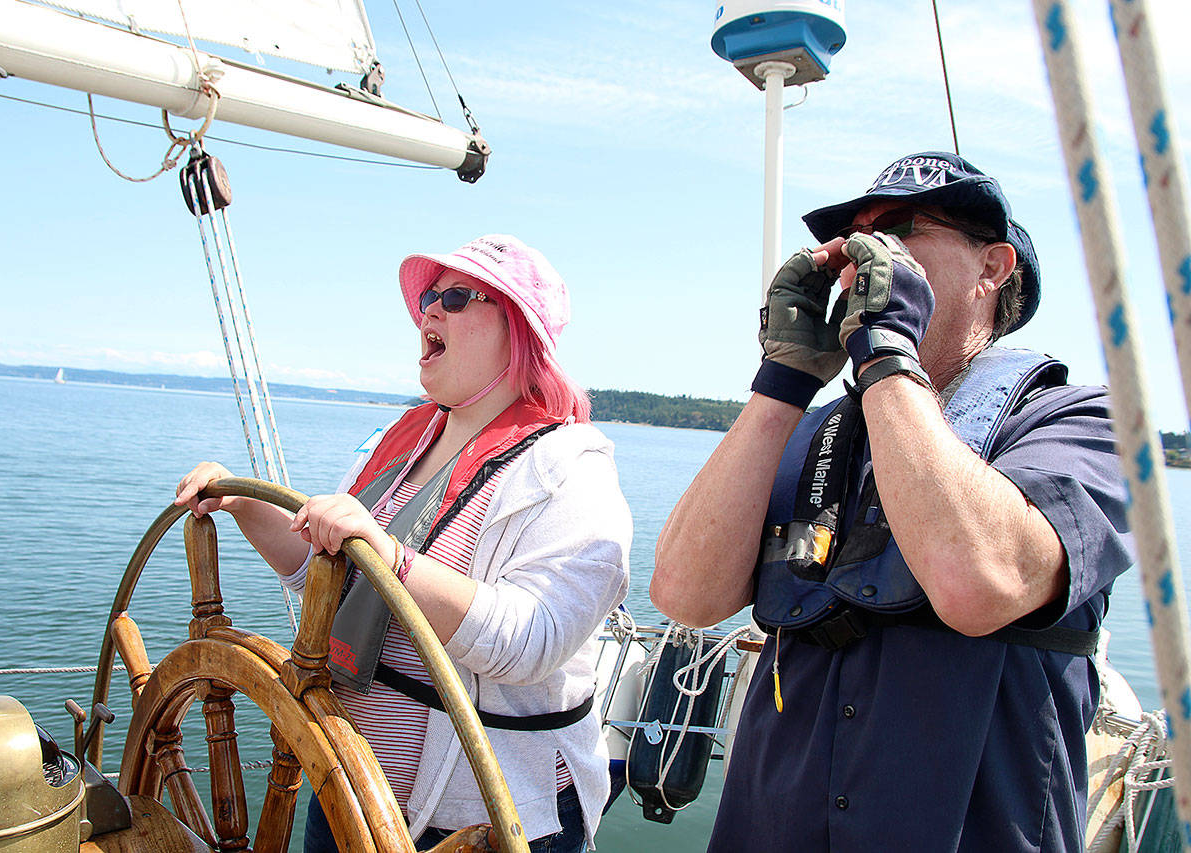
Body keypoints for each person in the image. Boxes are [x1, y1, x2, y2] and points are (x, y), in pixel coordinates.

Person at [651, 151, 1133, 851]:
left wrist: (884, 351)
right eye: (856, 240)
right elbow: (685, 595)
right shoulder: (817, 433)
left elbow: (979, 583)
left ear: (992, 270)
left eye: (900, 231)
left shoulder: (1088, 425)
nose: (864, 256)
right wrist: (784, 378)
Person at [175, 234, 631, 852]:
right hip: (346, 782)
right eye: (427, 300)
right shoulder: (403, 440)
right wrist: (243, 503)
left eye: (457, 297)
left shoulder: (569, 469)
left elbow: (534, 640)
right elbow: (323, 570)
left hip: (482, 824)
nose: (429, 311)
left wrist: (394, 560)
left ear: (518, 329)